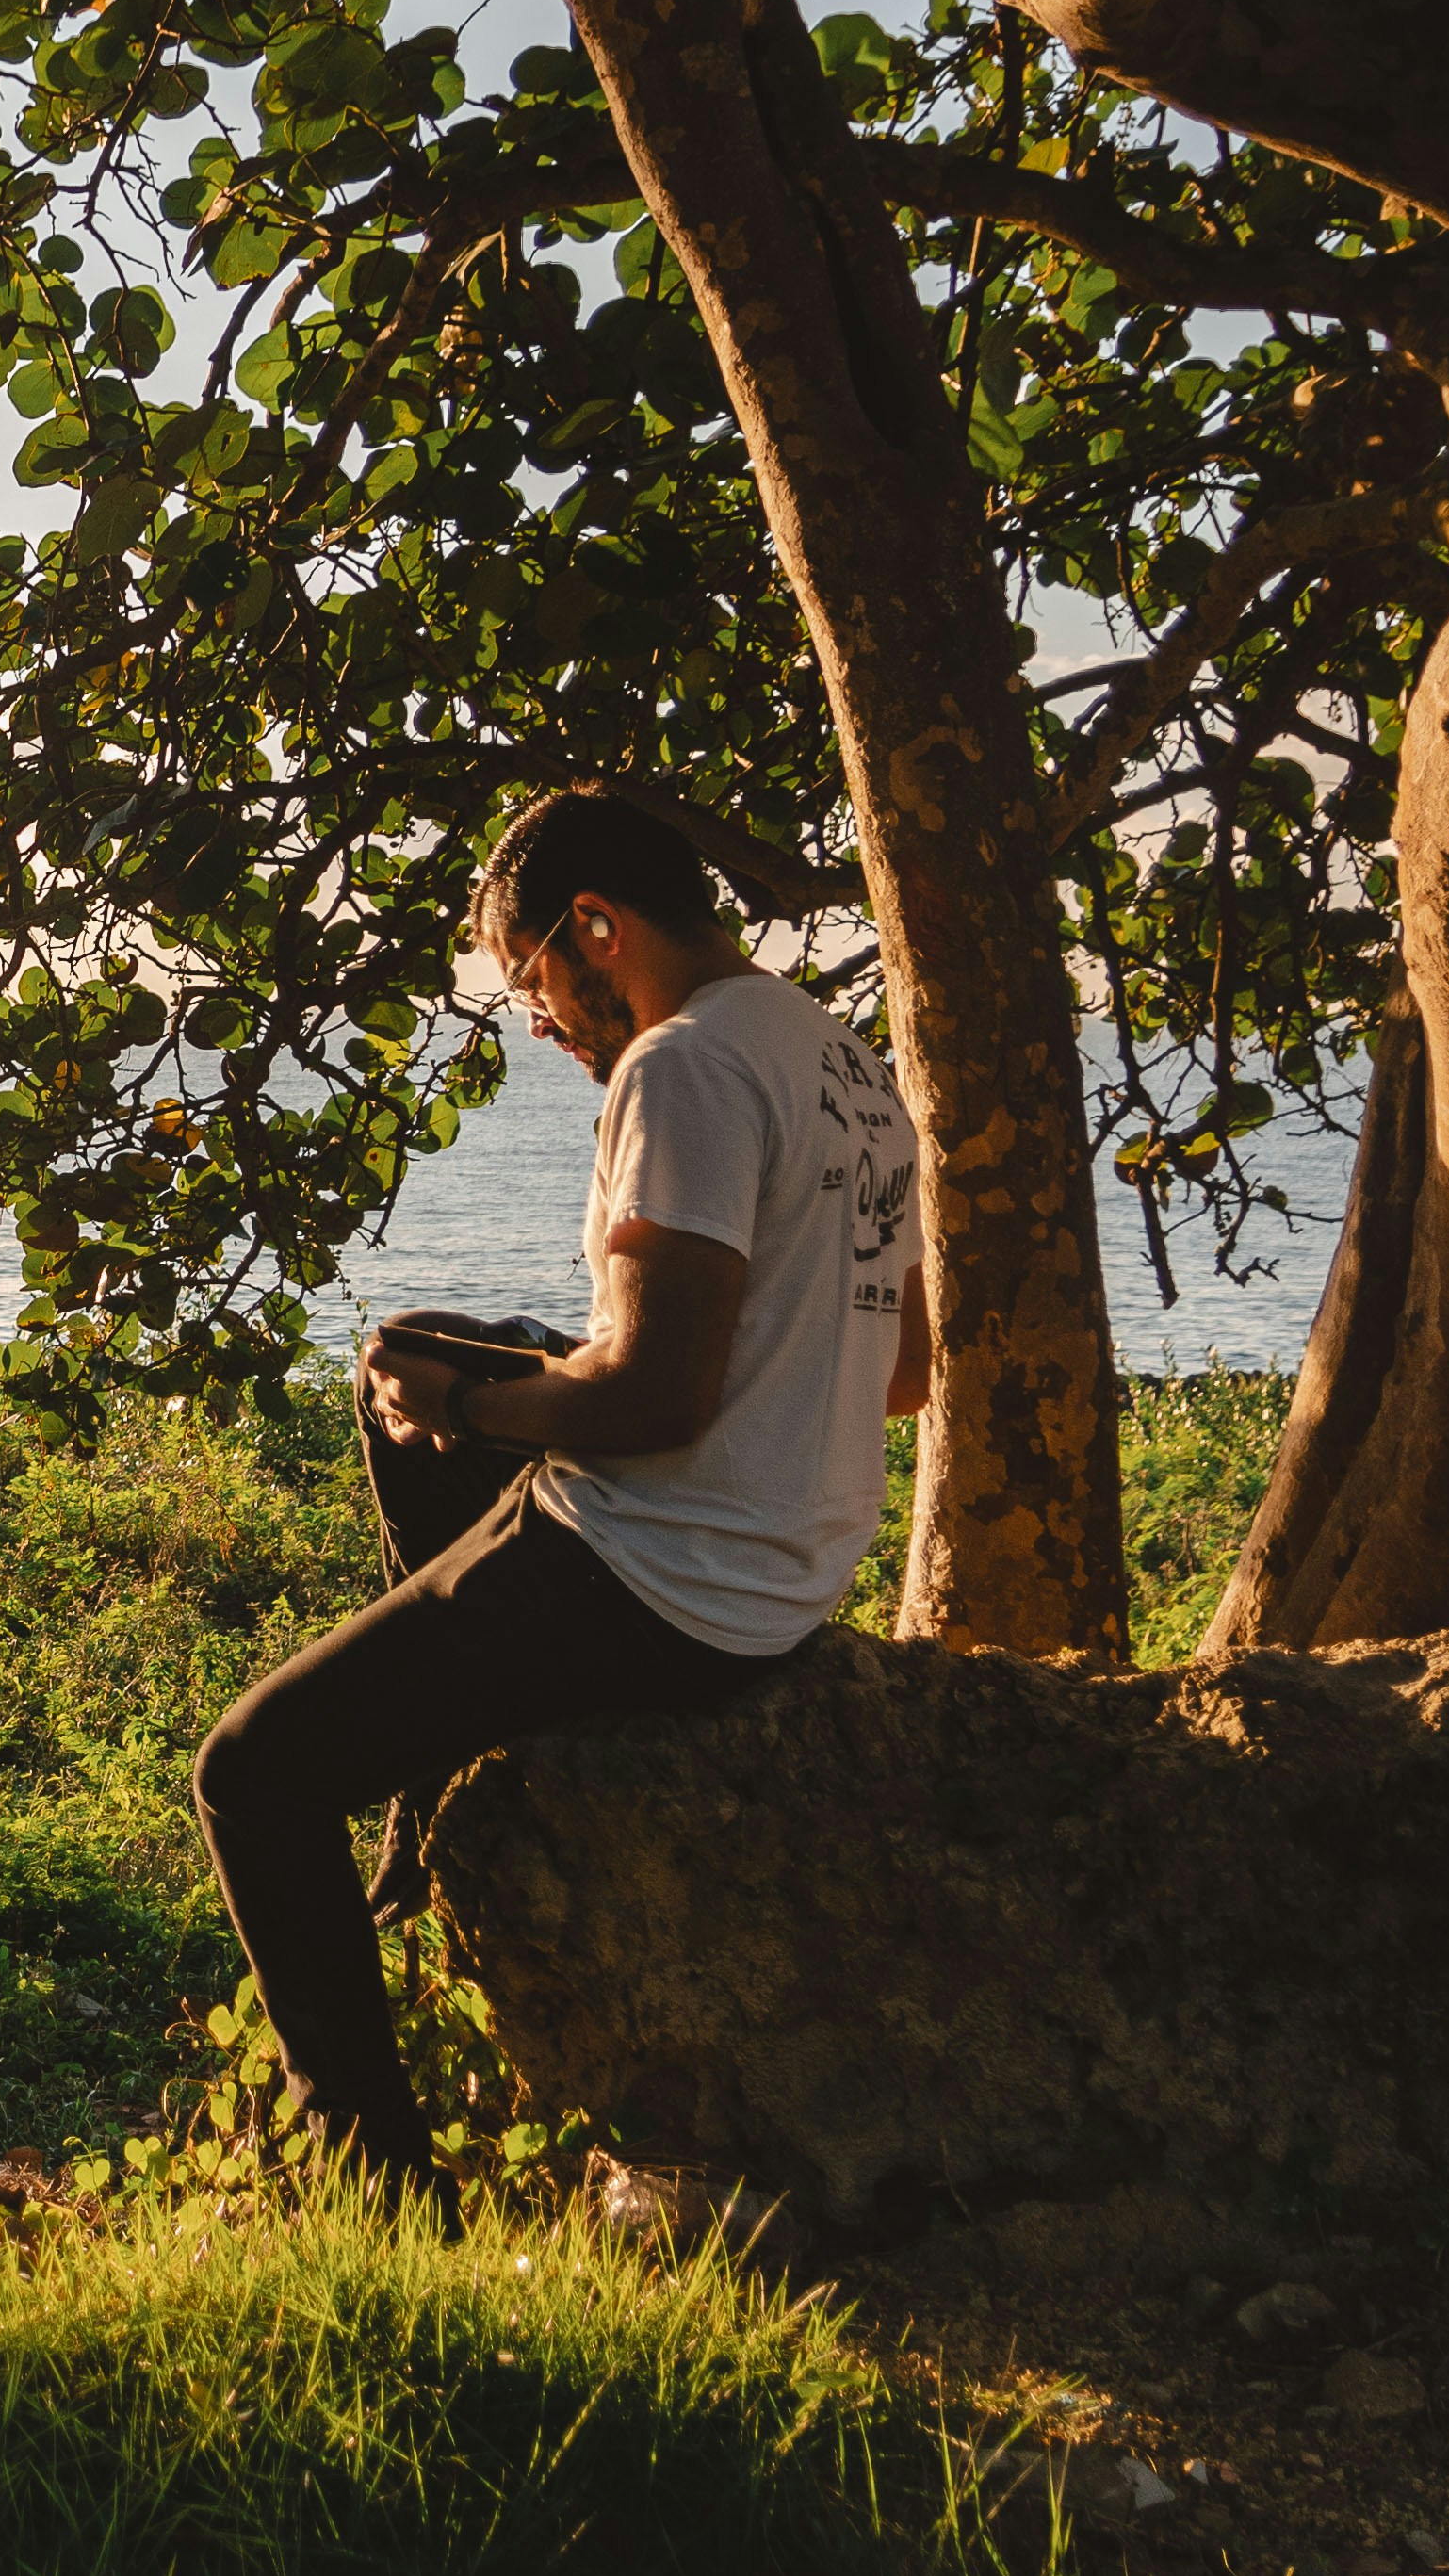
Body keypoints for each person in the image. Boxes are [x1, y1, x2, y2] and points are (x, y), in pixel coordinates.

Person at [191, 785, 930, 2189]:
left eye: (528, 979)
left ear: (594, 929)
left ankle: (370, 2170)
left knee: (252, 1775)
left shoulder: (683, 1067)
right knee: (399, 1353)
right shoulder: (835, 1059)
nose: (534, 1019)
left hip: (659, 1574)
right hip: (786, 1561)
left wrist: (476, 1407)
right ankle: (437, 1747)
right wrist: (504, 1377)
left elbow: (656, 1402)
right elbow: (901, 1378)